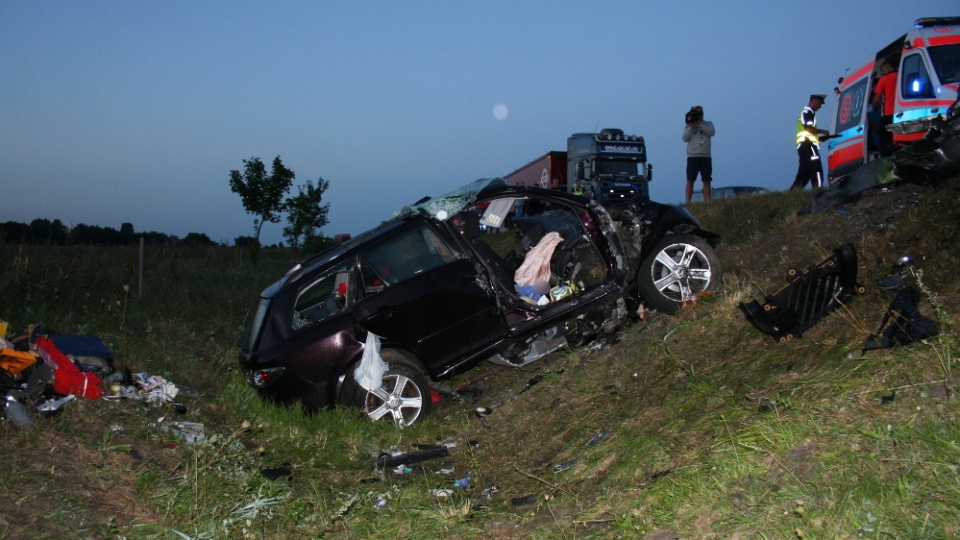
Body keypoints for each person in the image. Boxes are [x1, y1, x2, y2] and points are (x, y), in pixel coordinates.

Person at [790, 94, 831, 190]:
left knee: (804, 173)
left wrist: (819, 138)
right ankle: (818, 190)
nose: (820, 107)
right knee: (816, 167)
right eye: (820, 104)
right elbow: (809, 129)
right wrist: (822, 131)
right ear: (815, 101)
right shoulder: (808, 112)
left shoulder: (806, 113)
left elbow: (808, 133)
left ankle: (793, 192)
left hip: (804, 146)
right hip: (808, 145)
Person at [682, 105, 716, 203]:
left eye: (701, 113)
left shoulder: (708, 124)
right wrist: (691, 126)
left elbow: (712, 132)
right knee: (690, 180)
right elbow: (684, 138)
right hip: (693, 156)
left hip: (706, 156)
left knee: (707, 180)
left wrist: (700, 124)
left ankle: (707, 201)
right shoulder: (689, 126)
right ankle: (688, 202)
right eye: (698, 113)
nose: (700, 115)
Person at [872, 60, 897, 156]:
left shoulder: (884, 79)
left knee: (884, 139)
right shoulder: (900, 76)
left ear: (887, 68)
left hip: (887, 113)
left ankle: (886, 159)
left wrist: (872, 107)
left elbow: (877, 98)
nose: (881, 73)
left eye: (882, 70)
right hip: (901, 111)